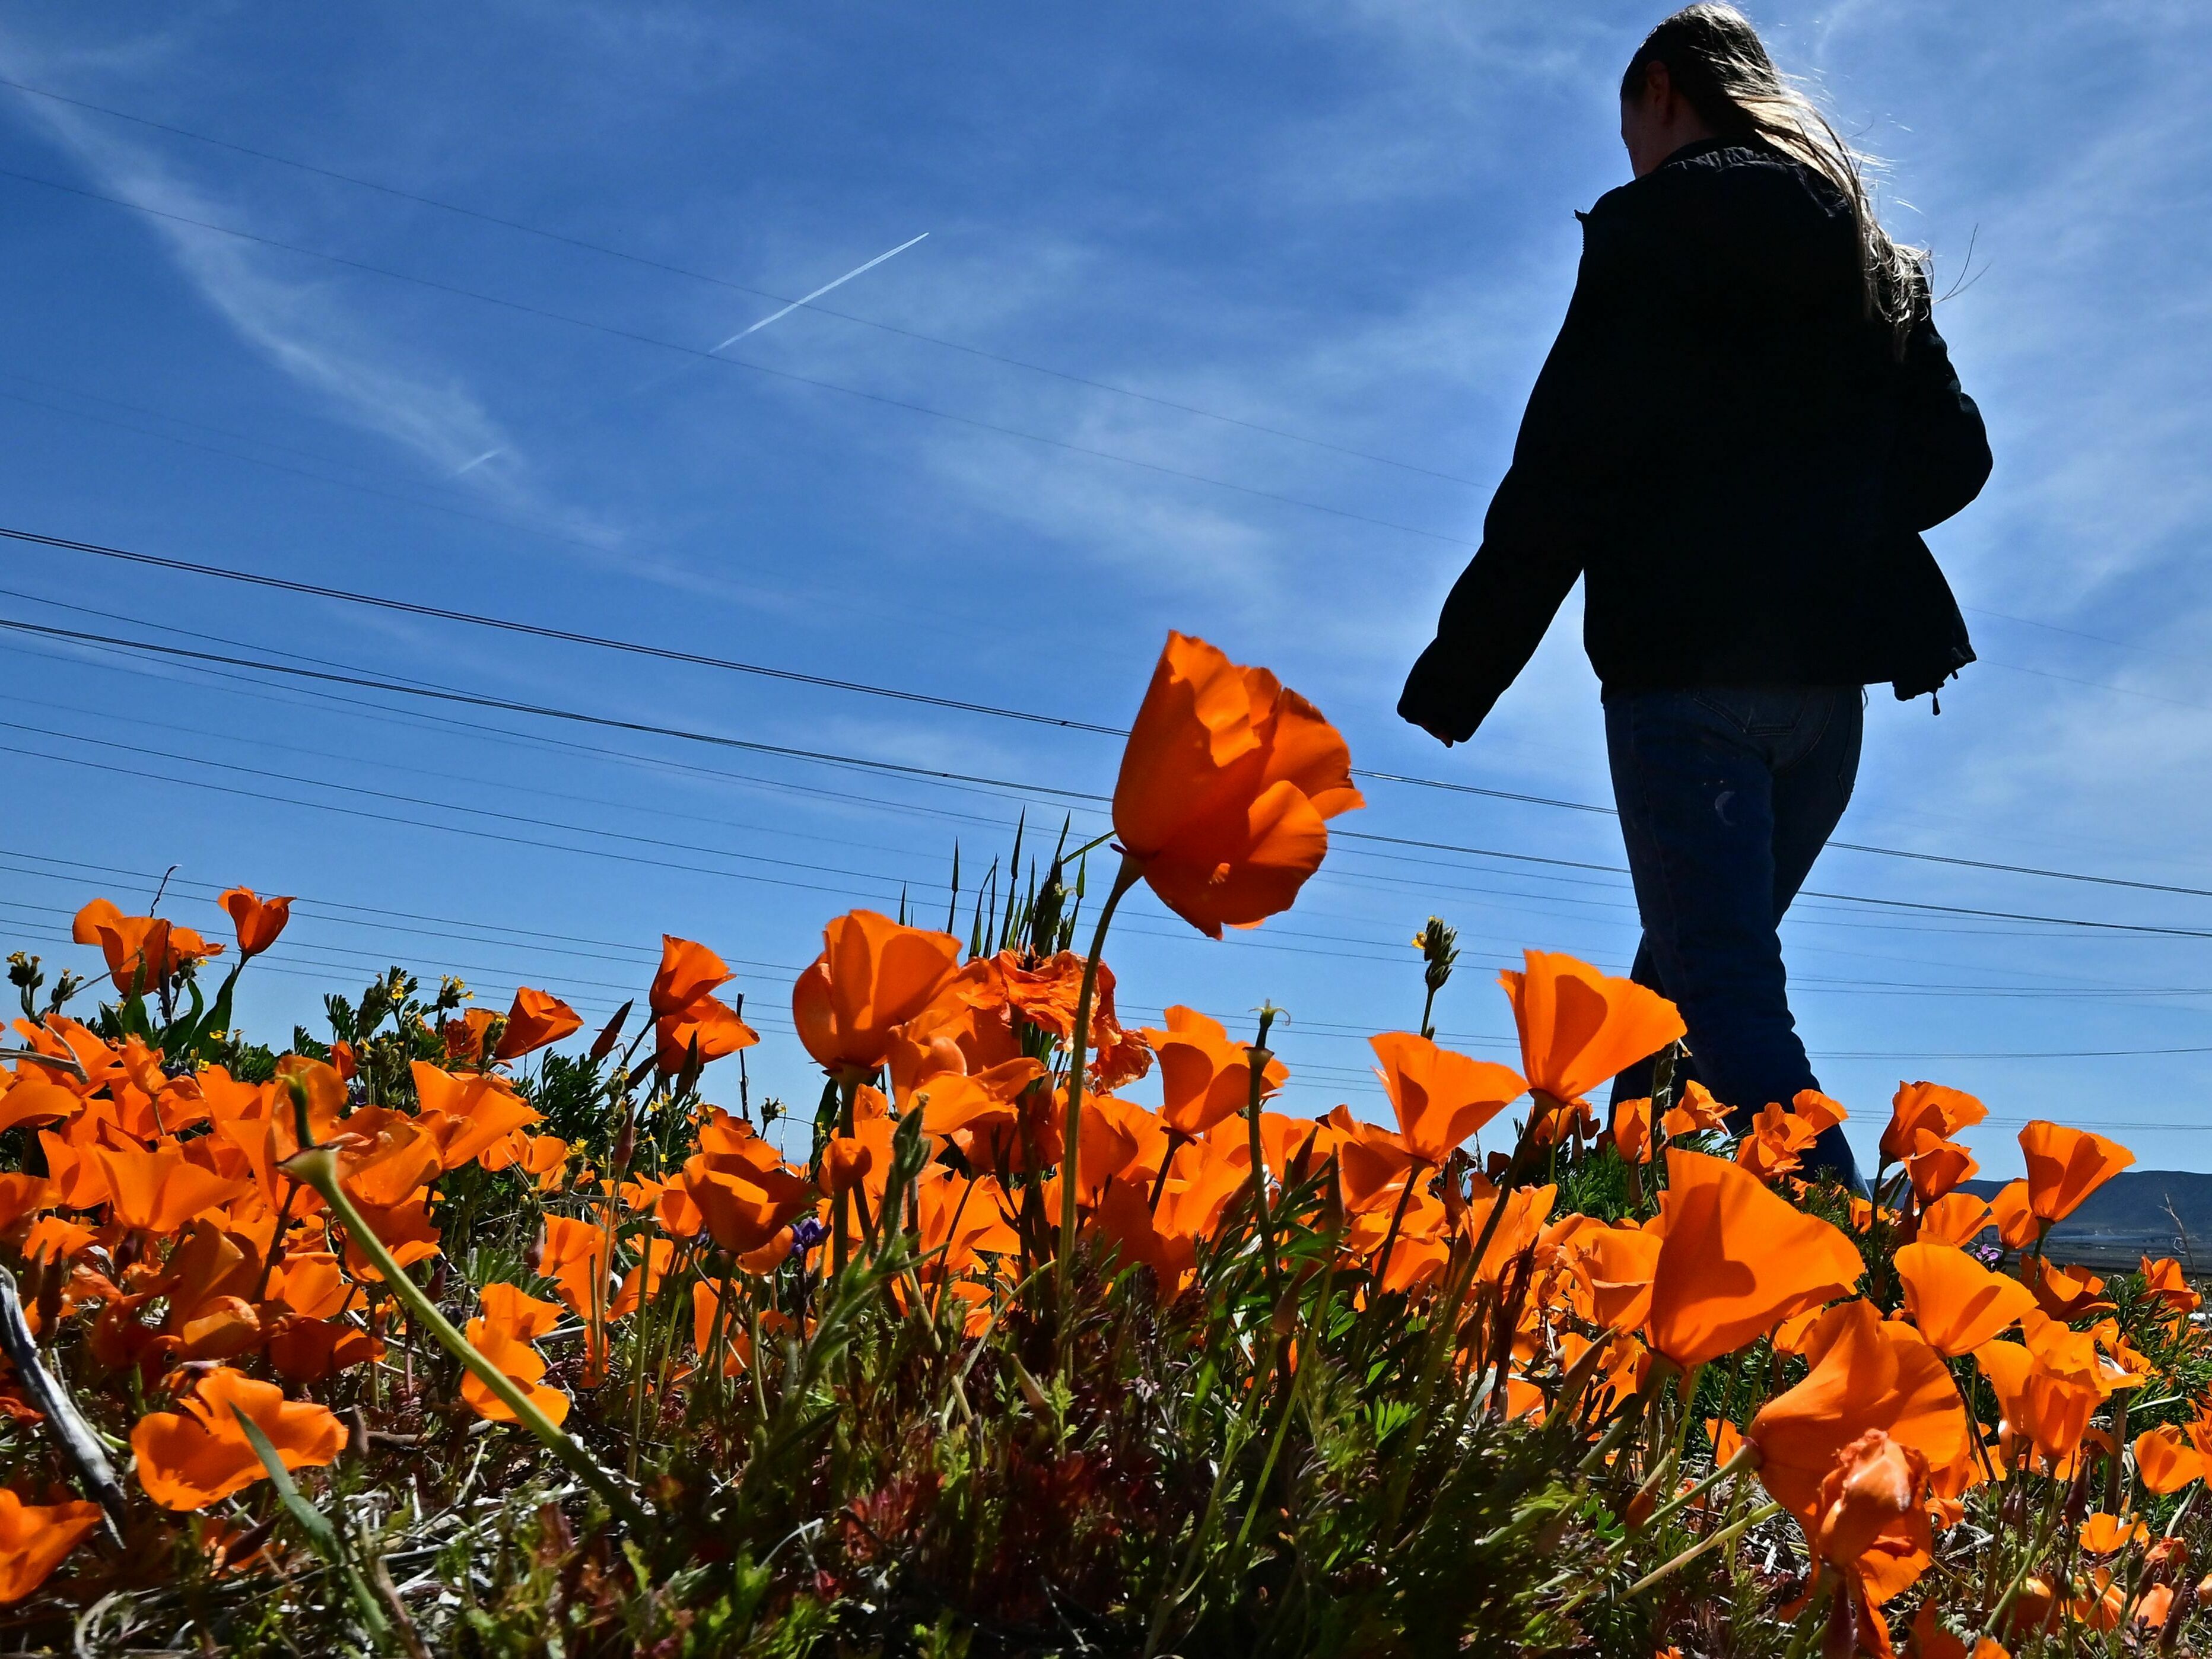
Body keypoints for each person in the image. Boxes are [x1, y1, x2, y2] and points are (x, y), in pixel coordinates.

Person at [1396, 3, 1991, 1188]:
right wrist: (1815, 520)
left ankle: (1850, 1278)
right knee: (1675, 1000)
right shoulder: (1869, 250)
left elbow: (1564, 463)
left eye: (1627, 125)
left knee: (1722, 1002)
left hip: (1687, 679)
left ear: (1660, 91)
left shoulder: (1654, 225)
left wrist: (1460, 674)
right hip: (1825, 695)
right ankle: (1595, 1234)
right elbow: (1954, 458)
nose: (1627, 153)